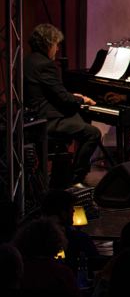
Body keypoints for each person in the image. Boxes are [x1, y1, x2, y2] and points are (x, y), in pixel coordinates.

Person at [24, 24, 101, 190]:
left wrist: (74, 98)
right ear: (48, 44)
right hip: (45, 121)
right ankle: (75, 179)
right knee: (92, 133)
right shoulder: (45, 65)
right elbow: (63, 98)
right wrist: (82, 100)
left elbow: (55, 94)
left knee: (76, 119)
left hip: (33, 117)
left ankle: (61, 177)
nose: (57, 49)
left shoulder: (28, 60)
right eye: (56, 44)